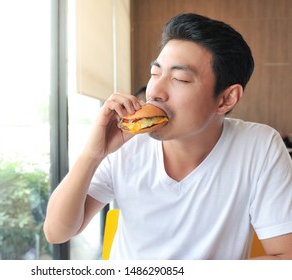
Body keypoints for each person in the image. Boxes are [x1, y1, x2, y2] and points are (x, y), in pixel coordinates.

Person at [44, 13, 292, 259]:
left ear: (226, 99)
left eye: (180, 78)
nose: (155, 92)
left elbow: (285, 257)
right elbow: (57, 232)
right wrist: (92, 154)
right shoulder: (127, 144)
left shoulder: (259, 147)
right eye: (155, 74)